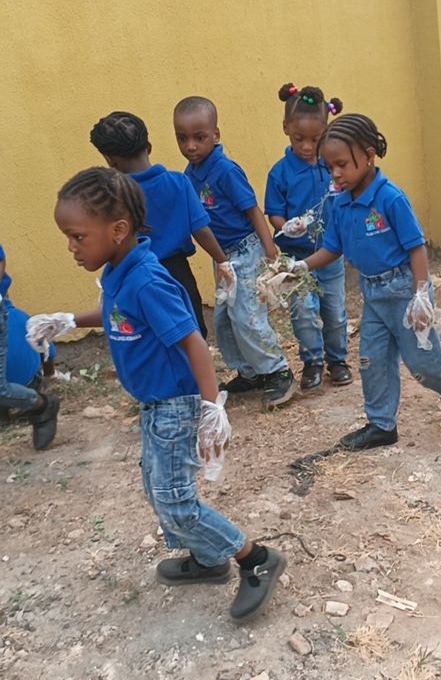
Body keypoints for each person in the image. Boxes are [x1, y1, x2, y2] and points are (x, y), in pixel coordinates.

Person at [27, 167, 286, 621]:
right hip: (153, 404)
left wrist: (211, 409)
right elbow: (118, 315)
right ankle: (208, 560)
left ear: (118, 229)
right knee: (157, 487)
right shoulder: (120, 272)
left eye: (76, 236)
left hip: (176, 405)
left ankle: (255, 560)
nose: (70, 246)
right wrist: (68, 320)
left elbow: (192, 343)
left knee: (175, 501)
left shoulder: (148, 280)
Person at [297, 115, 441, 451]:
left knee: (423, 364)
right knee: (372, 360)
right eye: (329, 167)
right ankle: (382, 424)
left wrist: (421, 295)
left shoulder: (390, 198)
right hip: (373, 294)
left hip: (405, 291)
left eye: (341, 164)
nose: (335, 174)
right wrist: (298, 267)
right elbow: (332, 248)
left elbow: (416, 248)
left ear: (368, 155)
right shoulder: (340, 202)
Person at [174, 97, 296, 410]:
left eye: (199, 138)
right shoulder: (191, 172)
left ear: (216, 135)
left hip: (246, 251)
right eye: (182, 138)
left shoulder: (225, 170)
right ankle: (250, 372)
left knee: (248, 317)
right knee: (225, 320)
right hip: (223, 257)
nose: (190, 146)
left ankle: (278, 372)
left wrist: (269, 248)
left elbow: (252, 210)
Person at [89, 110, 236, 339]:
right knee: (191, 330)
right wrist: (224, 262)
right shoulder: (178, 182)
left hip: (134, 275)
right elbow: (201, 230)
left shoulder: (112, 196)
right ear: (148, 147)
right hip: (178, 274)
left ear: (110, 160)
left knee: (150, 334)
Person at [265, 83, 351, 392]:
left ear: (327, 132)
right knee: (303, 314)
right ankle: (312, 362)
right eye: (299, 139)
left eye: (315, 139)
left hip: (330, 257)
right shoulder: (280, 173)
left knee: (336, 313)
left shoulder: (333, 166)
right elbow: (273, 213)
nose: (306, 147)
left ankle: (338, 360)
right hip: (295, 260)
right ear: (286, 128)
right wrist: (286, 225)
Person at [0, 243, 59, 448]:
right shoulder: (24, 318)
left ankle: (36, 406)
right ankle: (29, 401)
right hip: (27, 383)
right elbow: (47, 353)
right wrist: (51, 375)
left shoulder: (14, 319)